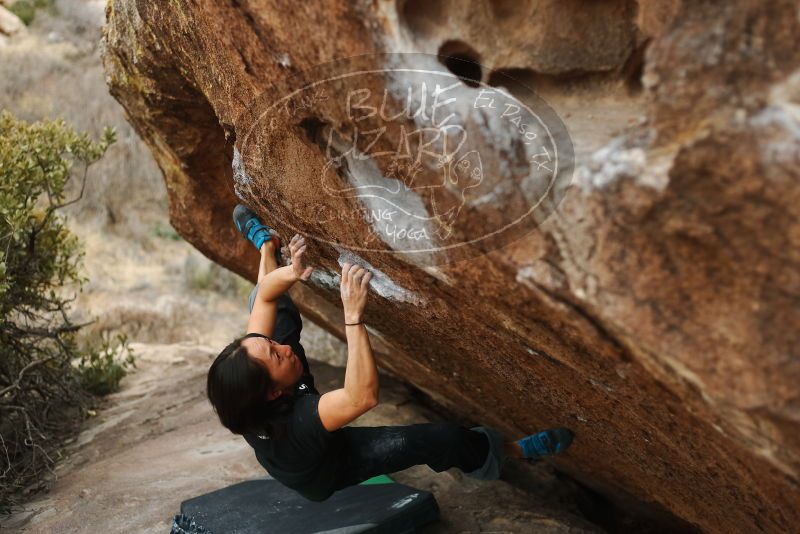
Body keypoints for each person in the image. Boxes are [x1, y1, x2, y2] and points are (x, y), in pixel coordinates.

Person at [207, 205, 575, 502]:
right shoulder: (298, 425)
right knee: (438, 439)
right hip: (327, 468)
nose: (281, 347)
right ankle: (513, 451)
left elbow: (267, 296)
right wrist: (353, 316)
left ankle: (265, 245)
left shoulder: (252, 379)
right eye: (274, 354)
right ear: (273, 392)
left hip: (286, 397)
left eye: (269, 344)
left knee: (267, 302)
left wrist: (290, 270)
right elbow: (362, 396)